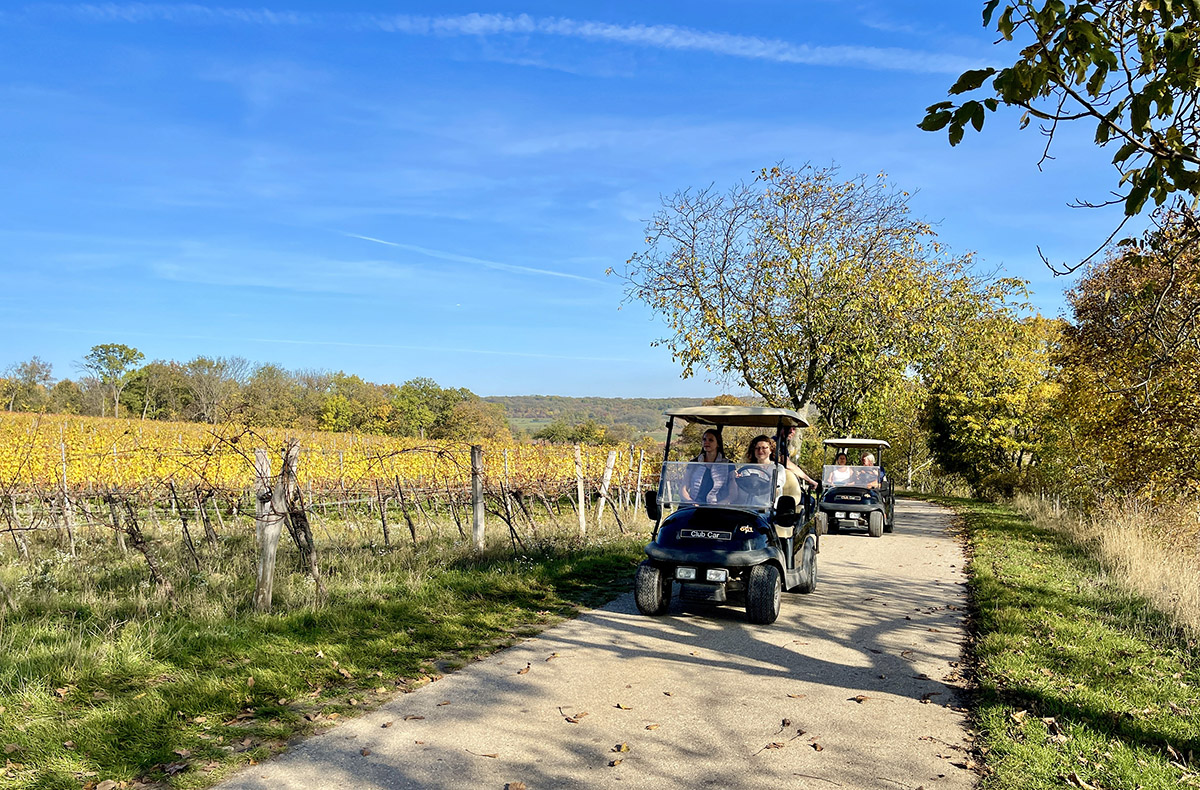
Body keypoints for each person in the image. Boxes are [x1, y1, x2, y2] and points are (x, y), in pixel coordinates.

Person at [737, 434, 802, 503]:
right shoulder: (747, 469)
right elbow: (745, 486)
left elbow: (776, 485)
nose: (760, 450)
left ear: (771, 450)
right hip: (750, 505)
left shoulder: (778, 468)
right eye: (757, 448)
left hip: (770, 507)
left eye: (764, 448)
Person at [682, 428, 735, 504]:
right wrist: (691, 502)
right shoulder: (694, 463)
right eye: (704, 439)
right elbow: (683, 488)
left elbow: (733, 494)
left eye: (710, 440)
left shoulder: (728, 465)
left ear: (718, 444)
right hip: (694, 507)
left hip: (717, 508)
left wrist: (723, 503)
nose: (706, 442)